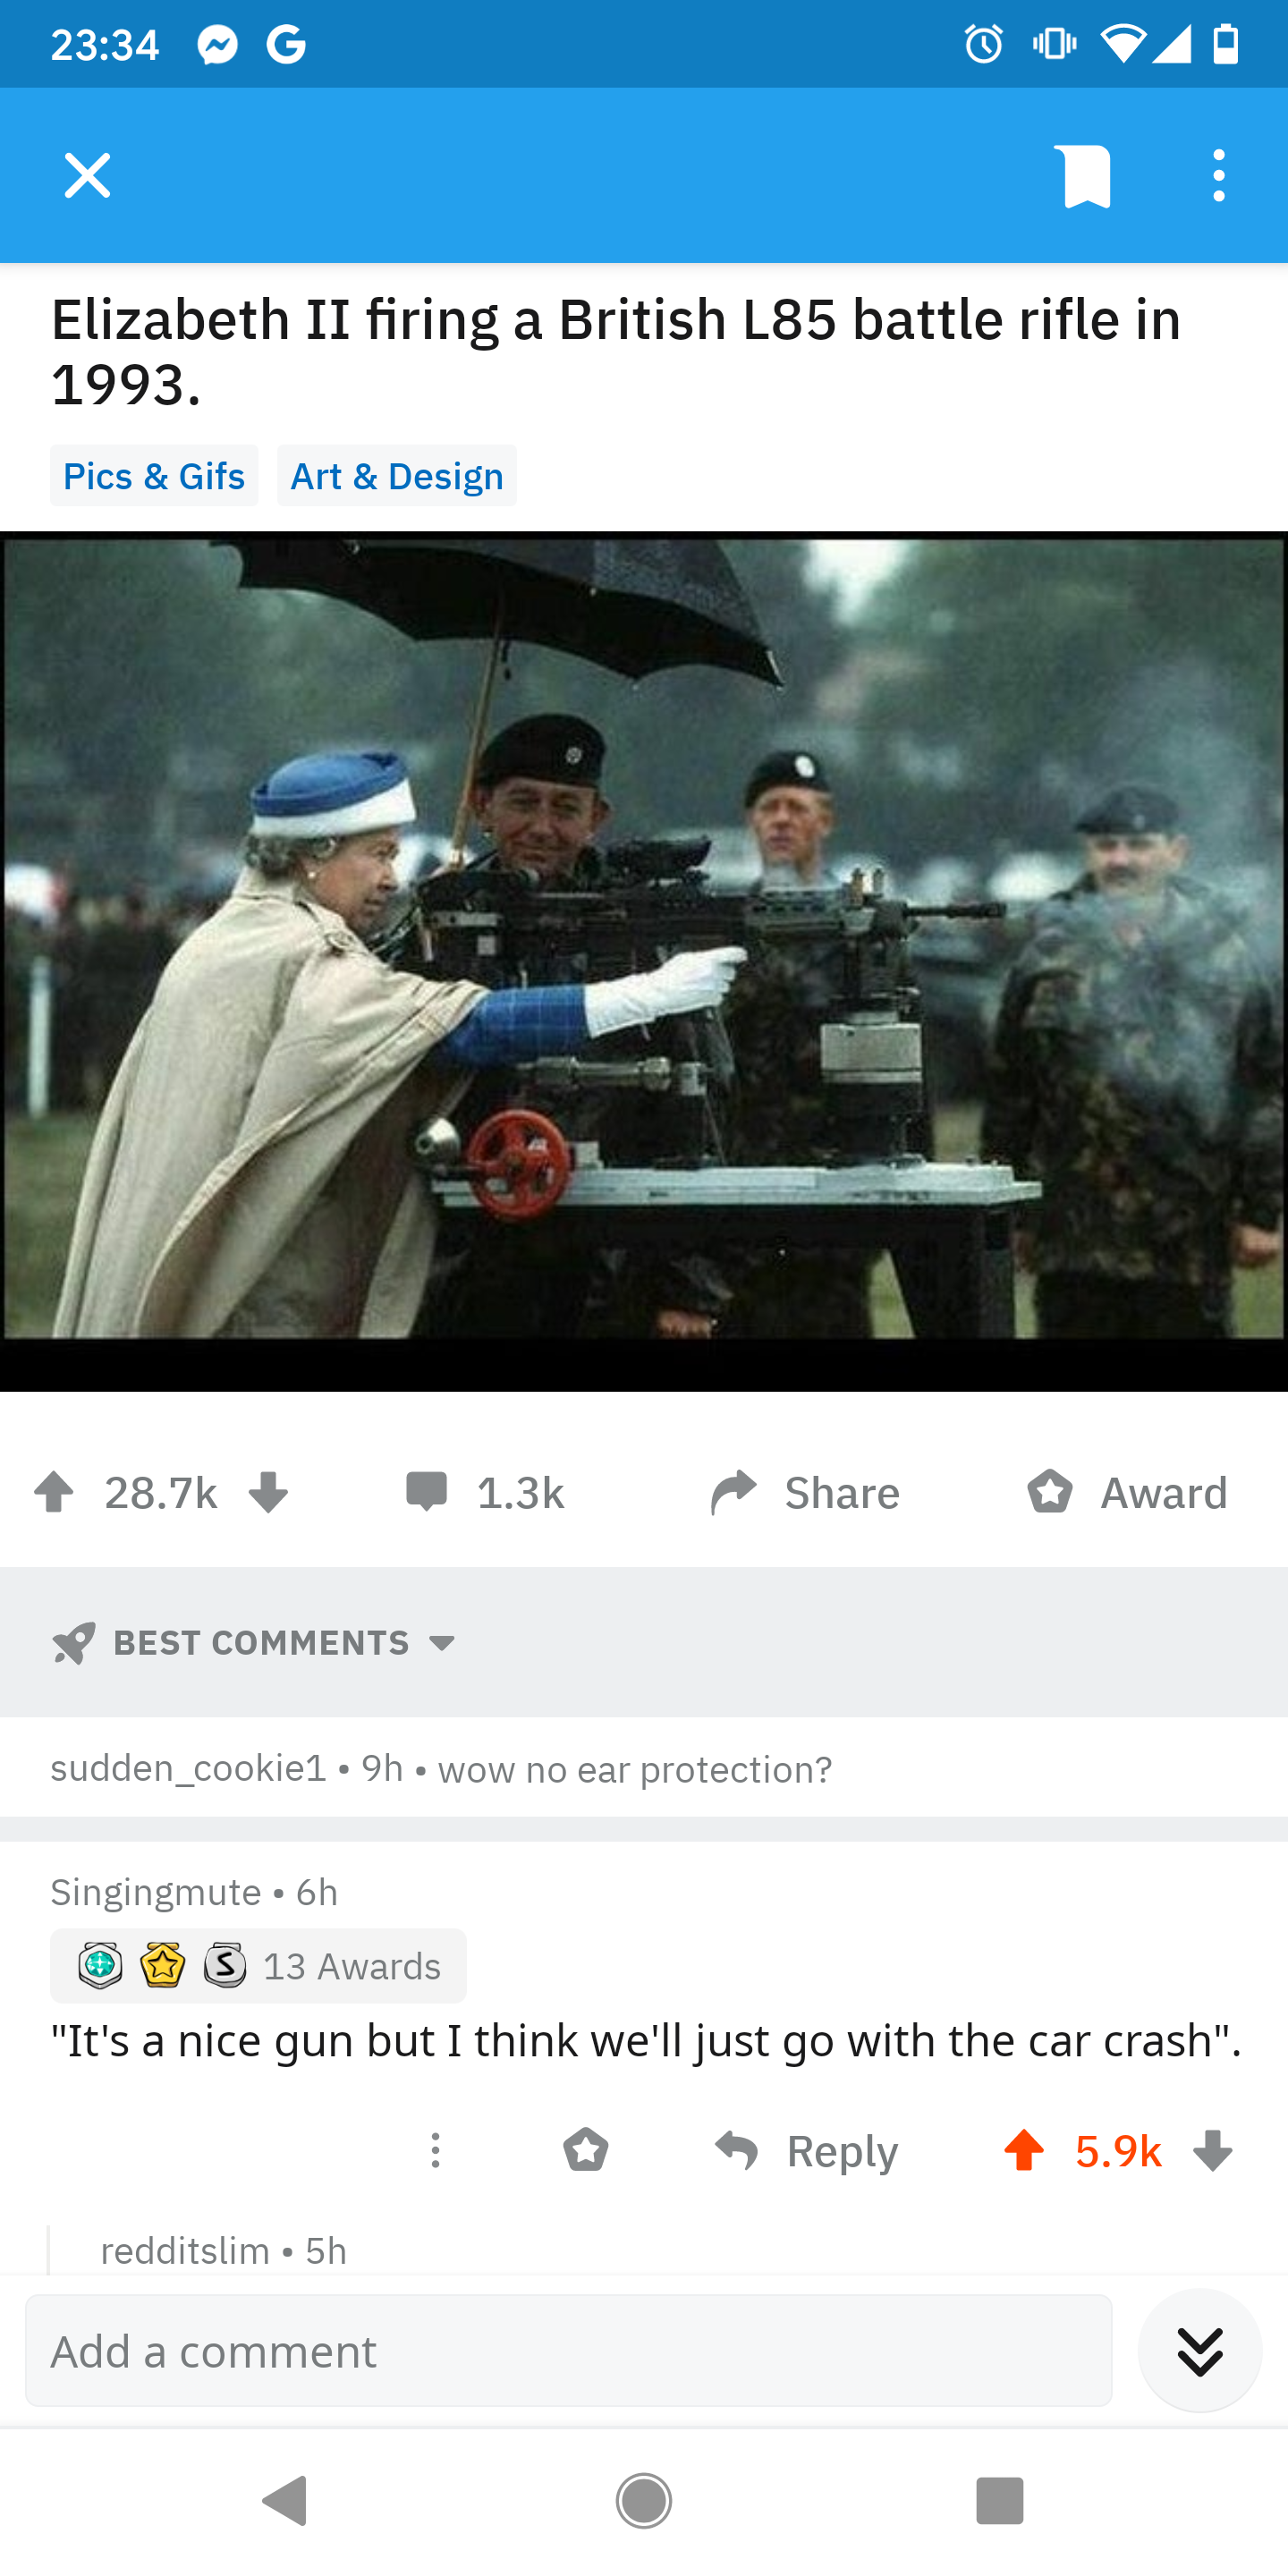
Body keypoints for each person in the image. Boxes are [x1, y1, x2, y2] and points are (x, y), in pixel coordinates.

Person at [54, 749, 742, 1339]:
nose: (391, 876)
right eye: (376, 854)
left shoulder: (231, 936)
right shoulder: (304, 952)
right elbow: (459, 1025)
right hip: (258, 1282)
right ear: (316, 856)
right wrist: (644, 997)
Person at [417, 713, 736, 1340]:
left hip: (608, 1263)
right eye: (522, 803)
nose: (542, 827)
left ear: (598, 819)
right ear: (481, 805)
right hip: (459, 1257)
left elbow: (704, 1105)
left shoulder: (638, 933)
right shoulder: (436, 925)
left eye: (566, 807)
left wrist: (690, 1286)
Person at [982, 784, 1282, 1340]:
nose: (1120, 860)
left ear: (1176, 851)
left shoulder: (1223, 955)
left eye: (1139, 845)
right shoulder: (1049, 952)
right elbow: (1010, 1090)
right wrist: (1008, 1215)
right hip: (1073, 1240)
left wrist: (1262, 1211)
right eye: (1106, 845)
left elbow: (1262, 1086)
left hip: (1187, 1237)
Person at [724, 750, 876, 1338]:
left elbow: (906, 1078)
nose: (782, 820)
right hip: (737, 1202)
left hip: (835, 1206)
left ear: (826, 821)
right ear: (752, 821)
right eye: (769, 807)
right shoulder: (726, 928)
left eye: (797, 807)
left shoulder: (865, 933)